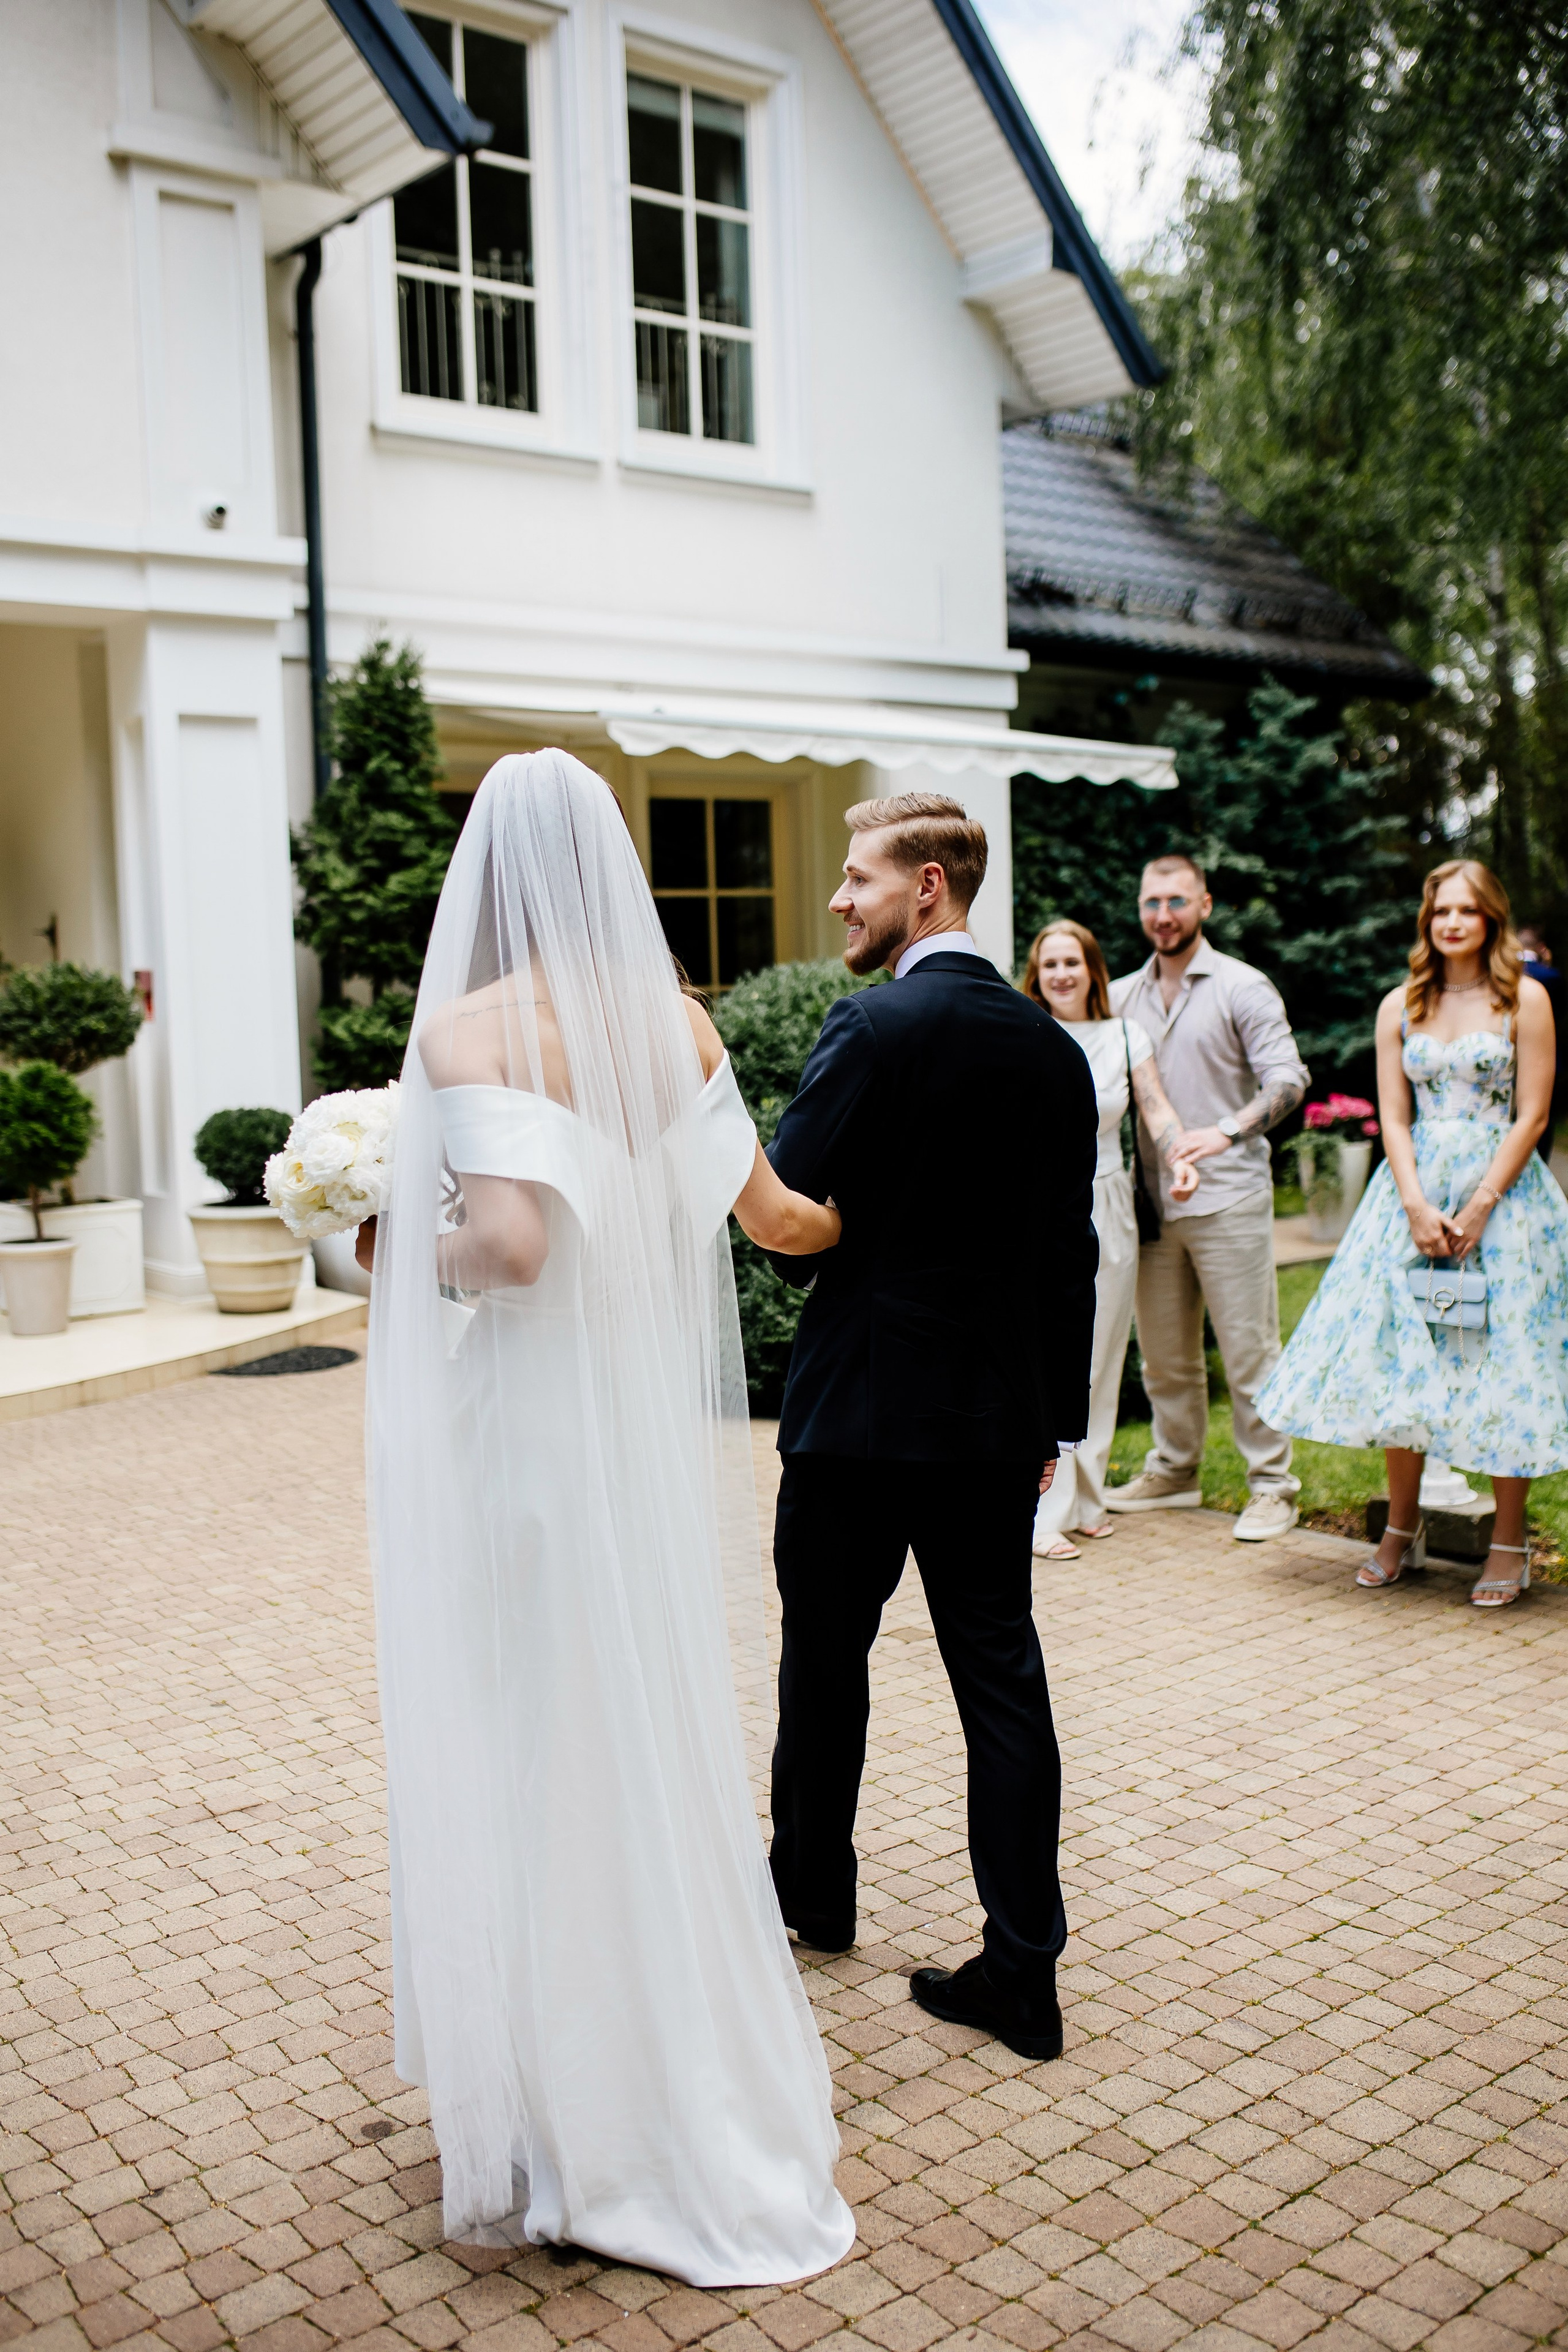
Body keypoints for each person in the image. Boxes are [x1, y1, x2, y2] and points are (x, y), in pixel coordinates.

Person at [360, 752, 855, 2282]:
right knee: (640, 1734)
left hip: (527, 1444)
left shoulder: (468, 1026)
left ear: (484, 881)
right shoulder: (677, 1021)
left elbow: (503, 1247)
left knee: (539, 1751)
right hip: (635, 1461)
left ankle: (580, 2120)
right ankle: (678, 2087)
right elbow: (774, 1220)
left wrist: (393, 1239)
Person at [760, 792, 1099, 2064]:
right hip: (988, 1427)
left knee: (823, 1659)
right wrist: (1048, 1425)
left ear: (927, 892)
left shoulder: (870, 1022)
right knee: (1001, 1683)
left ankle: (812, 1893)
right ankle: (1024, 1970)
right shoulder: (1049, 1052)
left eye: (857, 879)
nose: (840, 900)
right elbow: (1068, 1255)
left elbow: (792, 1200)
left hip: (853, 1417)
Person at [1256, 859, 1568, 1608]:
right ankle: (1400, 1530)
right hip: (1413, 1196)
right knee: (1404, 1358)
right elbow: (1393, 1115)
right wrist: (1415, 1204)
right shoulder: (1402, 1004)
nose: (1451, 923)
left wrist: (1483, 1203)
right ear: (1426, 922)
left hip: (1505, 1199)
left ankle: (1507, 1542)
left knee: (1503, 1363)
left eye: (1465, 910)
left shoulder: (1523, 999)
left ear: (1490, 916)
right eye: (1439, 912)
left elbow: (1532, 1113)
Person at [1107, 854, 1310, 1540]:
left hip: (1229, 1197)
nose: (1162, 915)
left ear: (1205, 905)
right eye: (1151, 902)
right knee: (1162, 1356)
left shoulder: (1241, 987)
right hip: (1152, 1208)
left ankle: (1273, 1486)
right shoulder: (1122, 995)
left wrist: (1225, 1132)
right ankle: (1175, 1468)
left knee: (1249, 1350)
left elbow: (1287, 1079)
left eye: (1176, 901)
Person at [1021, 920, 1200, 1558]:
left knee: (1101, 1354)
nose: (1062, 974)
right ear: (1037, 976)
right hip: (1039, 1210)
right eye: (1050, 965)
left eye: (1073, 962)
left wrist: (1181, 1154)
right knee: (1049, 1355)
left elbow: (1154, 1108)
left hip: (1110, 1200)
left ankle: (1088, 1496)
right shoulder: (1025, 1031)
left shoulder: (1126, 1035)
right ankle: (1044, 1509)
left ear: (1093, 970)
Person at [1517, 925, 1563, 1164]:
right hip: (1548, 1056)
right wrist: (1547, 962)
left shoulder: (1506, 973)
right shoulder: (1551, 976)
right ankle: (1537, 1165)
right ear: (1541, 948)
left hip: (1510, 1056)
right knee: (1541, 1116)